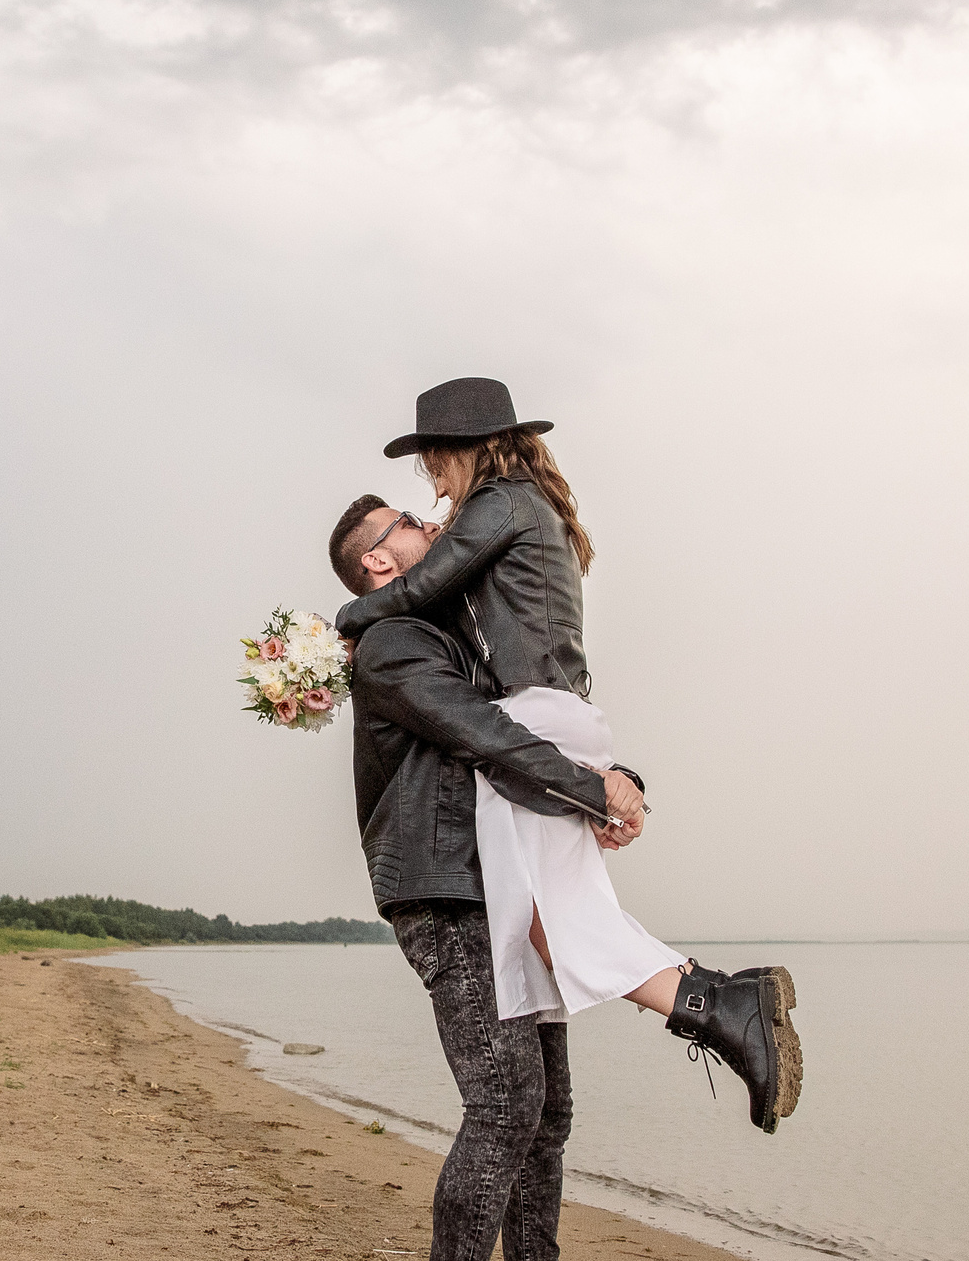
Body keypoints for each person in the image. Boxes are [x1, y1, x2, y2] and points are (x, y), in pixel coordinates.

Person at [334, 378, 803, 1132]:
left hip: (537, 718)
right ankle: (717, 1004)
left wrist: (345, 622)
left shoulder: (500, 503)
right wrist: (603, 782)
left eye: (431, 465)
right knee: (554, 924)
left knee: (567, 924)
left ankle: (723, 1003)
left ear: (462, 448)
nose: (432, 486)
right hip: (560, 717)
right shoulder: (521, 503)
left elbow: (420, 585)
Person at [339, 501, 645, 1261]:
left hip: (509, 888)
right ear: (380, 564)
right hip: (444, 891)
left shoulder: (464, 635)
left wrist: (618, 778)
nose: (434, 522)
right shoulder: (393, 644)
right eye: (407, 522)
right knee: (506, 1102)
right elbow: (483, 735)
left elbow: (533, 722)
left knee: (546, 1107)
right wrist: (586, 785)